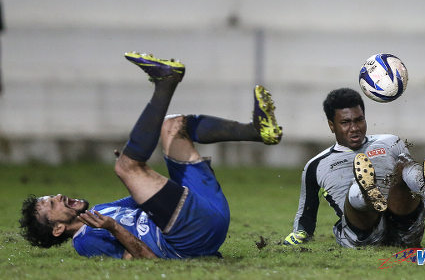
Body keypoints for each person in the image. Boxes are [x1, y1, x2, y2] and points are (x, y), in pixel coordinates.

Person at [19, 51, 282, 259]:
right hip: (190, 237)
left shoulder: (101, 211)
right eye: (53, 204)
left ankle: (258, 131)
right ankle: (165, 82)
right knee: (126, 168)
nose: (59, 196)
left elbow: (147, 197)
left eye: (52, 196)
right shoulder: (86, 243)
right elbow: (145, 262)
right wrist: (114, 227)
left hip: (207, 213)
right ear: (57, 229)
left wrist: (134, 166)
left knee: (173, 126)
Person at [283, 87, 425, 249]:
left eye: (359, 120)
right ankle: (367, 192)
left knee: (403, 172)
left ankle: (423, 183)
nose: (354, 128)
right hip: (361, 235)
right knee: (356, 190)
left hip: (405, 229)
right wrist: (298, 236)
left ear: (365, 117)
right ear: (331, 125)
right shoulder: (316, 165)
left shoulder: (389, 142)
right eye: (345, 122)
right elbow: (306, 214)